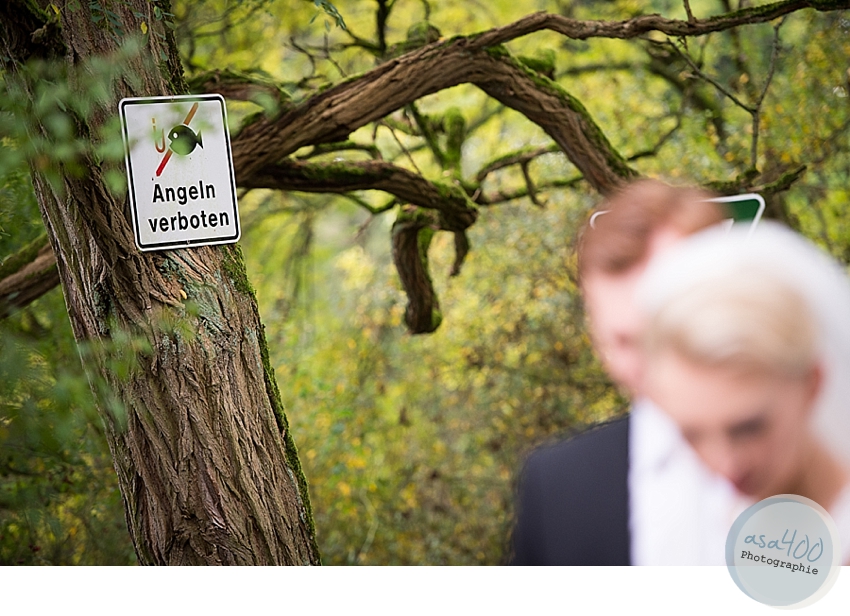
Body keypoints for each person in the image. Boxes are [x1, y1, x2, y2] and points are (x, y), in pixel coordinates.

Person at [510, 179, 740, 565]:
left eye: (668, 334)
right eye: (625, 342)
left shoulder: (820, 462)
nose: (655, 369)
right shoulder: (557, 484)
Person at [639, 221, 850, 563]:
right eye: (692, 434)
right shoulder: (690, 526)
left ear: (812, 384)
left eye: (749, 427)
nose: (726, 464)